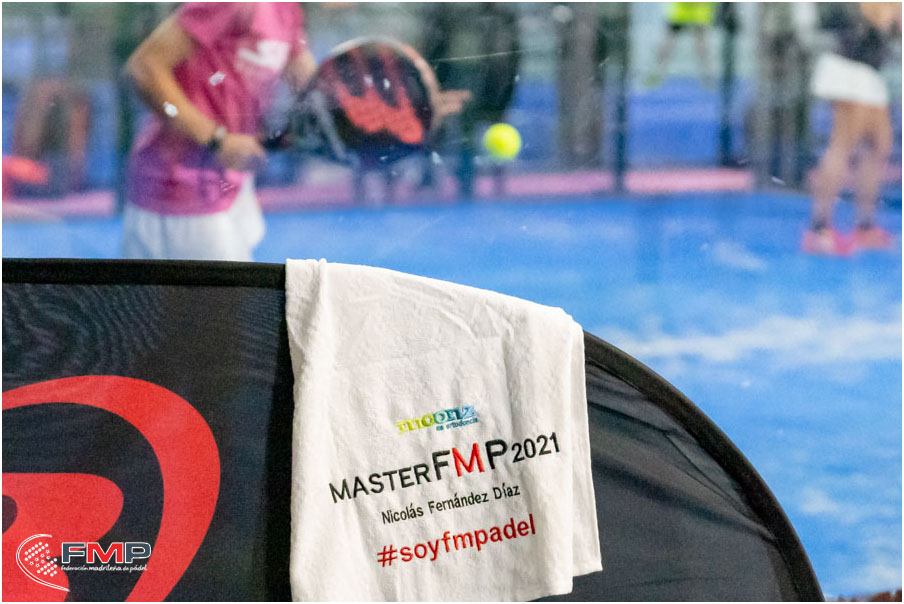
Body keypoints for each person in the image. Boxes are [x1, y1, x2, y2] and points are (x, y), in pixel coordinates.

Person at [121, 3, 316, 261]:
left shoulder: (288, 9)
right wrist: (217, 140)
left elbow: (306, 75)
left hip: (231, 183)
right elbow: (143, 68)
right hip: (178, 186)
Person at [803, 2, 899, 255]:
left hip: (868, 70)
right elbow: (880, 17)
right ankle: (819, 229)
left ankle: (864, 226)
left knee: (878, 145)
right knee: (843, 145)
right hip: (849, 69)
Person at [645, 2, 717, 89]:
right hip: (679, 14)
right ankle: (656, 73)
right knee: (666, 46)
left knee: (702, 48)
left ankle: (708, 77)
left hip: (698, 13)